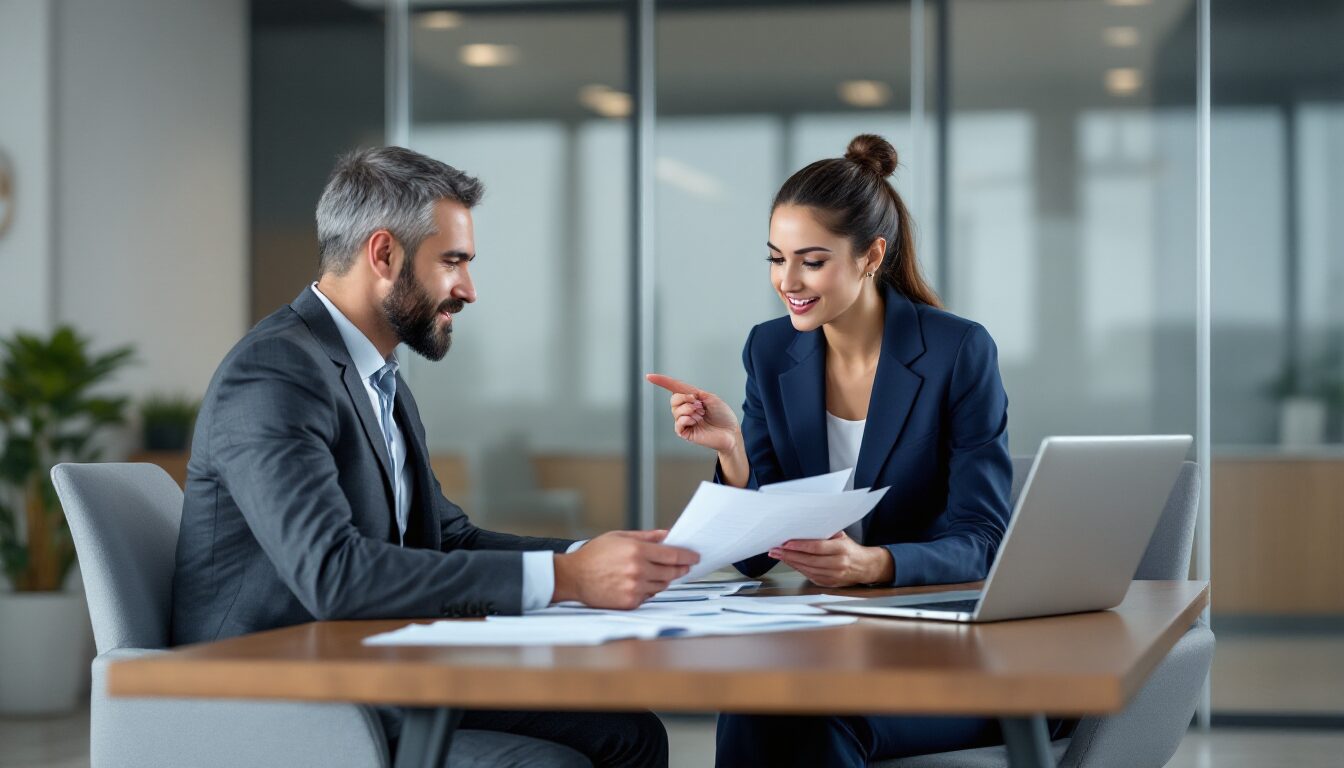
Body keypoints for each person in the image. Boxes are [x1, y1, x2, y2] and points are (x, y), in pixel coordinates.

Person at [171, 146, 698, 768]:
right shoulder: (275, 373)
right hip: (280, 696)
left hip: (369, 669)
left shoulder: (376, 377)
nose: (469, 290)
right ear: (384, 254)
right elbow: (332, 575)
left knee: (629, 734)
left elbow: (444, 537)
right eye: (453, 262)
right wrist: (570, 581)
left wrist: (588, 557)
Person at [649, 134, 1015, 766]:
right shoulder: (770, 351)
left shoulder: (958, 351)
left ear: (871, 255)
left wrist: (872, 564)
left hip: (942, 641)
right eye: (775, 258)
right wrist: (733, 453)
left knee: (821, 721)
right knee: (751, 703)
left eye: (811, 261)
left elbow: (984, 538)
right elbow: (755, 563)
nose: (786, 281)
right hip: (830, 636)